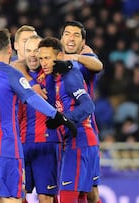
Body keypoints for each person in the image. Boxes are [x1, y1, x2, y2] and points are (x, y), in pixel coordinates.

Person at [0, 29, 76, 203]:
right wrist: (57, 115)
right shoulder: (10, 73)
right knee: (12, 199)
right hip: (6, 148)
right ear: (9, 51)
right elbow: (32, 98)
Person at [38, 37, 98, 203]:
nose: (43, 63)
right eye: (41, 58)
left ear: (59, 56)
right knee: (80, 198)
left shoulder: (69, 77)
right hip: (74, 141)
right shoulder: (54, 77)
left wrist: (63, 119)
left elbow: (88, 106)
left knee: (67, 198)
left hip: (79, 140)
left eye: (47, 58)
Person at [60, 20, 103, 203]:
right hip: (60, 132)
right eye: (67, 34)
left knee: (90, 192)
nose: (71, 38)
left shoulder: (85, 61)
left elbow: (98, 65)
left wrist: (75, 58)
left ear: (83, 43)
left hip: (85, 130)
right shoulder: (54, 59)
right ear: (61, 38)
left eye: (76, 35)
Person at [18, 35, 60, 203]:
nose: (33, 55)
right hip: (21, 144)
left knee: (46, 197)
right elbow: (16, 64)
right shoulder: (16, 75)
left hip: (46, 142)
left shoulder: (52, 72)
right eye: (28, 50)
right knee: (17, 195)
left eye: (37, 51)